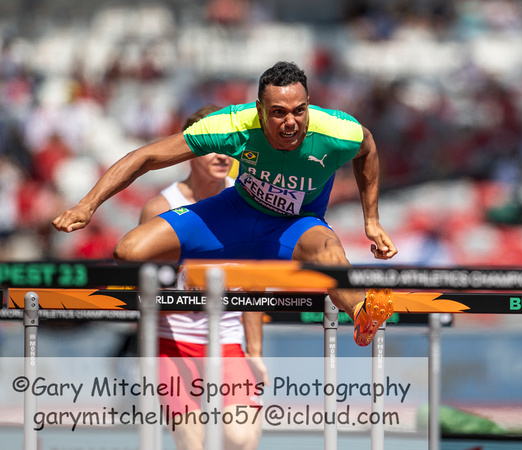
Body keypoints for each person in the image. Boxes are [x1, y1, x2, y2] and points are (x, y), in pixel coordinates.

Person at [52, 61, 398, 348]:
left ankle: (363, 313)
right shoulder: (233, 124)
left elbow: (368, 150)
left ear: (309, 106)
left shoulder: (339, 132)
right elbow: (146, 156)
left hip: (295, 225)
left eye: (299, 111)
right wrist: (87, 205)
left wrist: (372, 220)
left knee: (329, 251)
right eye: (278, 113)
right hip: (234, 214)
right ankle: (173, 289)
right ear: (259, 111)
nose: (290, 123)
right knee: (128, 251)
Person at [140, 104, 266, 450]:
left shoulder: (249, 201)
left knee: (241, 440)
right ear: (190, 148)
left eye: (229, 147)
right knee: (193, 445)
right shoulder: (160, 208)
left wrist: (254, 350)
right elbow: (144, 290)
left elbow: (254, 281)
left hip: (227, 343)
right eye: (211, 145)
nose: (222, 155)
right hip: (172, 344)